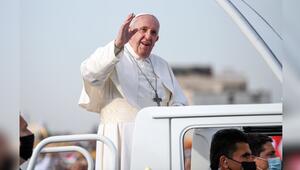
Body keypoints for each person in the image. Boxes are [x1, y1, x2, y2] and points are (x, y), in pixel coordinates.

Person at [79, 13, 187, 170]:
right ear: (130, 32)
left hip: (157, 140)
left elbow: (180, 102)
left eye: (153, 32)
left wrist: (168, 123)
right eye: (143, 29)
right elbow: (90, 73)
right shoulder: (113, 55)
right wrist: (117, 45)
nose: (148, 36)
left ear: (157, 39)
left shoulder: (162, 65)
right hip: (120, 139)